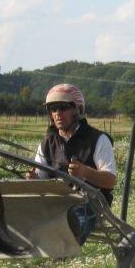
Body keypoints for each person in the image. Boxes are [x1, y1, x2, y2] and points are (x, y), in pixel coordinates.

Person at [27, 84, 117, 243]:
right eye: (53, 109)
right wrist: (33, 179)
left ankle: (65, 239)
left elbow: (110, 181)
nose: (57, 114)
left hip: (92, 204)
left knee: (74, 217)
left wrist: (85, 172)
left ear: (78, 110)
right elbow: (41, 178)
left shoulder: (98, 139)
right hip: (57, 202)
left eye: (63, 108)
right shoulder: (47, 143)